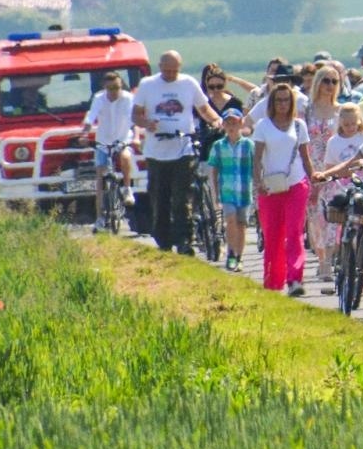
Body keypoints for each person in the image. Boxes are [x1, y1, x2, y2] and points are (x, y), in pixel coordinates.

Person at [133, 51, 223, 255]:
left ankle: (185, 241)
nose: (171, 74)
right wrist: (146, 123)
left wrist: (216, 120)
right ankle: (163, 241)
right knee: (160, 198)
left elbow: (204, 108)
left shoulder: (188, 83)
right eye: (167, 71)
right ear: (160, 67)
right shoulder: (148, 85)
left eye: (174, 71)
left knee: (183, 197)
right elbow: (136, 114)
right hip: (156, 151)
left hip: (183, 147)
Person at [251, 82, 322, 295]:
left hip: (296, 184)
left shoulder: (299, 126)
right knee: (272, 235)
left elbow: (305, 157)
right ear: (272, 103)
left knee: (294, 232)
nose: (282, 104)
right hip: (271, 187)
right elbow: (257, 158)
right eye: (278, 100)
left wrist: (314, 179)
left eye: (286, 100)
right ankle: (273, 281)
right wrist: (258, 182)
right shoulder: (263, 126)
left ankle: (295, 279)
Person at [82, 70, 138, 227]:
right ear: (105, 87)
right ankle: (99, 218)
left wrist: (136, 138)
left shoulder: (128, 98)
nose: (115, 91)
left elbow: (133, 120)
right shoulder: (99, 98)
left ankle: (127, 189)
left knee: (125, 156)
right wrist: (84, 134)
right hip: (104, 141)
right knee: (100, 177)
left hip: (122, 139)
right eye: (111, 88)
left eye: (117, 87)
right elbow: (90, 118)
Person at [304, 66, 344, 281]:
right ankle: (321, 259)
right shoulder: (307, 111)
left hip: (333, 169)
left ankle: (328, 262)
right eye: (326, 81)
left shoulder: (340, 111)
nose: (329, 85)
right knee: (315, 219)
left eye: (334, 81)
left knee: (332, 217)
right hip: (311, 168)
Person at [206, 110, 254, 272]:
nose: (231, 126)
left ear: (240, 123)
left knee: (242, 224)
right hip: (227, 191)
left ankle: (239, 256)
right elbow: (214, 170)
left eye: (234, 122)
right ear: (224, 125)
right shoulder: (218, 146)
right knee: (231, 220)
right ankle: (231, 254)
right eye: (228, 123)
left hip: (244, 191)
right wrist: (215, 192)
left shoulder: (248, 145)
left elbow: (256, 166)